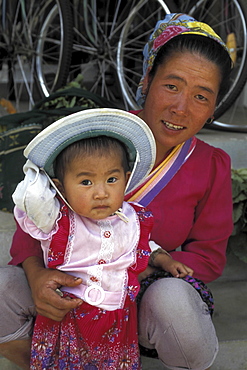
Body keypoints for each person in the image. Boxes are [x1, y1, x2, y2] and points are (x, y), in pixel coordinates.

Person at [0, 13, 233, 370]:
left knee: (175, 304)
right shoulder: (95, 139)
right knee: (3, 286)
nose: (181, 108)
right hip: (73, 295)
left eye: (201, 96)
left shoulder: (211, 164)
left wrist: (135, 273)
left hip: (142, 299)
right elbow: (33, 225)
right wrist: (38, 277)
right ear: (146, 80)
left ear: (213, 106)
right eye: (172, 86)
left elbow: (209, 256)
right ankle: (56, 358)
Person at [11, 108, 193, 369]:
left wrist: (162, 258)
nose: (101, 193)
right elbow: (29, 198)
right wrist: (36, 172)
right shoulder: (58, 221)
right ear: (60, 187)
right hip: (67, 320)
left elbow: (139, 244)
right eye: (86, 182)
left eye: (111, 179)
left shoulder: (131, 218)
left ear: (126, 180)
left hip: (117, 321)